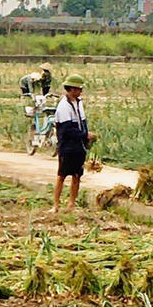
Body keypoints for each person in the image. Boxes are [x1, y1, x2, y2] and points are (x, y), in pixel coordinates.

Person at [52, 74, 96, 213]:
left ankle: (71, 204)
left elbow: (82, 123)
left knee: (77, 175)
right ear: (71, 89)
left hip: (78, 145)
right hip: (67, 145)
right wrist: (84, 135)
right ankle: (56, 205)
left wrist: (86, 137)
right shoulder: (64, 106)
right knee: (62, 175)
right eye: (78, 89)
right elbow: (67, 129)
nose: (80, 91)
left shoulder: (79, 103)